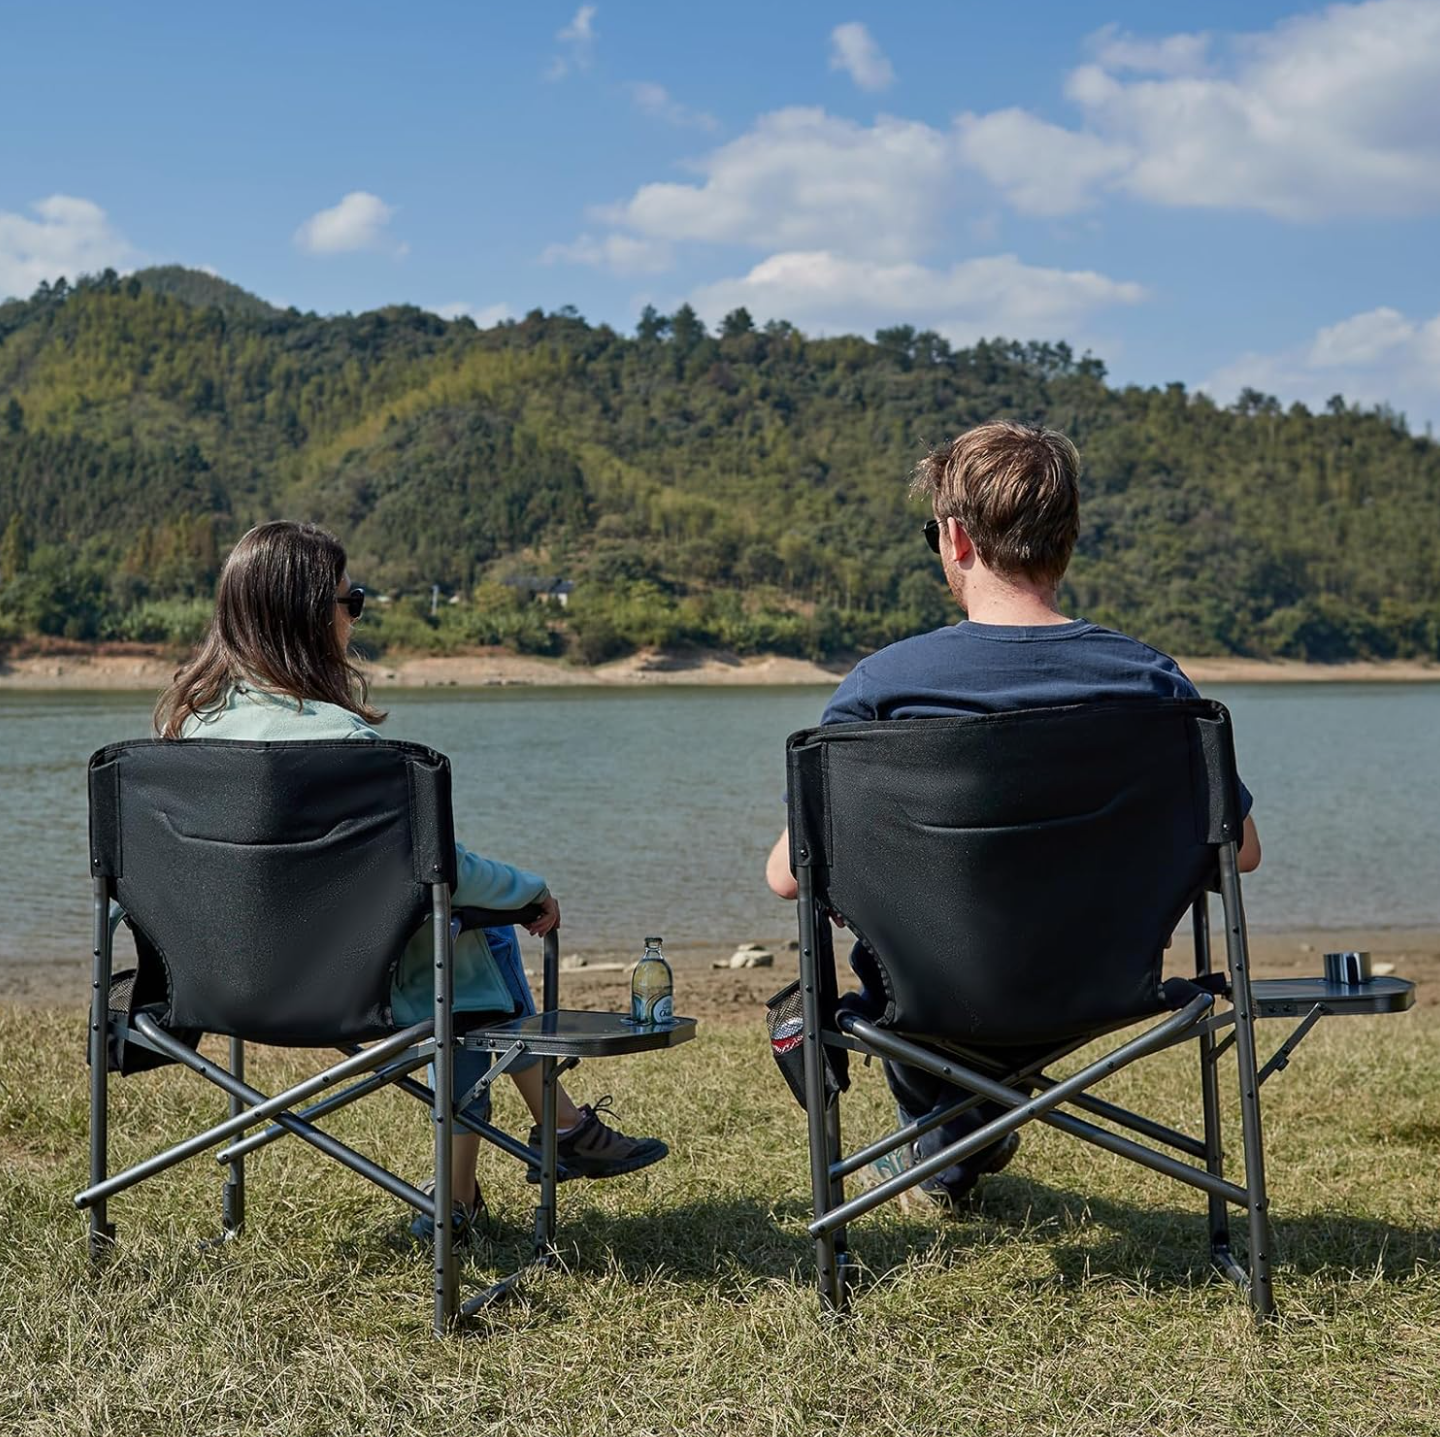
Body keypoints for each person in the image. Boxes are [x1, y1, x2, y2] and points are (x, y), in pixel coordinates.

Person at [765, 420, 1260, 1210]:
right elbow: (1241, 852)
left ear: (956, 538)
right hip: (1105, 984)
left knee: (906, 950)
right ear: (1067, 541)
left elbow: (789, 878)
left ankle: (946, 1145)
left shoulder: (883, 687)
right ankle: (961, 1138)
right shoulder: (1155, 685)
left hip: (929, 1000)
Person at [153, 520, 667, 1237]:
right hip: (357, 991)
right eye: (349, 599)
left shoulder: (179, 745)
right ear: (310, 615)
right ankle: (505, 1162)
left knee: (464, 930)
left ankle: (527, 1150)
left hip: (214, 988)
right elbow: (444, 868)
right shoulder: (354, 751)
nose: (353, 614)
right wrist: (532, 889)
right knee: (473, 935)